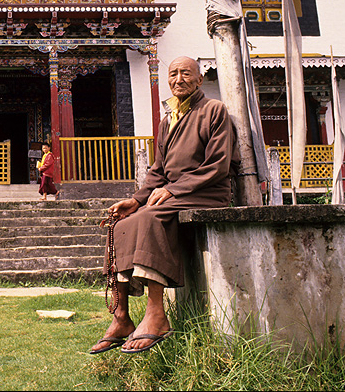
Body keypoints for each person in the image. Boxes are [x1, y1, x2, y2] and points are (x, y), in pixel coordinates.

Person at [89, 56, 240, 355]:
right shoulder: (167, 119)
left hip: (207, 192)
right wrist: (135, 200)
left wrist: (172, 190)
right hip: (174, 193)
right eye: (173, 74)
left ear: (199, 79)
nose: (178, 79)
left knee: (149, 220)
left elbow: (218, 165)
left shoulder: (214, 111)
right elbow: (158, 169)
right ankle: (121, 317)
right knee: (120, 223)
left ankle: (156, 315)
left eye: (186, 73)